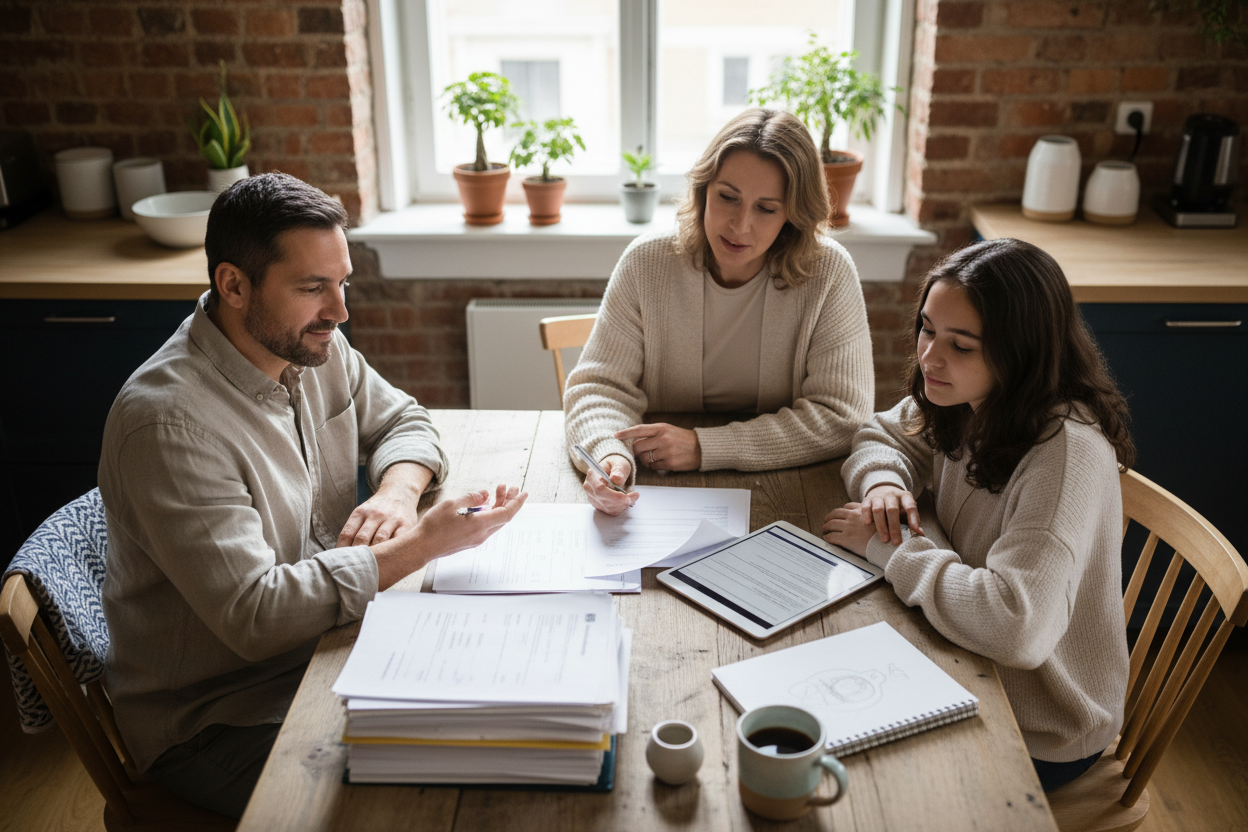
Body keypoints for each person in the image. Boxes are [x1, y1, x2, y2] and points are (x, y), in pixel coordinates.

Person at [97, 173, 526, 817]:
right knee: (443, 795)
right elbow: (255, 616)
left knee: (504, 714)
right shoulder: (169, 426)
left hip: (328, 646)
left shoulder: (310, 347)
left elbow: (406, 421)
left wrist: (398, 495)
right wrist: (418, 547)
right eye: (312, 288)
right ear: (234, 285)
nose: (340, 310)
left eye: (342, 283)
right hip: (222, 717)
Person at [822, 238, 1134, 792]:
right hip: (962, 654)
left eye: (961, 345)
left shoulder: (1065, 454)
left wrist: (888, 548)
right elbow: (880, 431)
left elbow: (1018, 626)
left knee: (854, 774)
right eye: (927, 329)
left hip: (1038, 721)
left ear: (1020, 353)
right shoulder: (970, 396)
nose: (929, 357)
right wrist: (885, 485)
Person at [564, 108, 874, 514]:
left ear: (793, 215)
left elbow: (842, 416)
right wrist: (610, 455)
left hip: (790, 487)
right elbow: (599, 388)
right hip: (656, 483)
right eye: (727, 197)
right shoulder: (646, 263)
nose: (739, 225)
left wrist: (703, 447)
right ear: (702, 189)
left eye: (766, 208)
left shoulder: (828, 273)